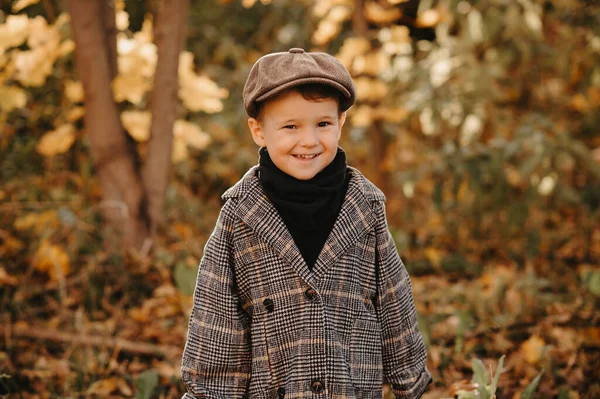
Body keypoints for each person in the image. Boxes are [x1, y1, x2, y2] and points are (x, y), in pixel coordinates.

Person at [181, 48, 431, 399]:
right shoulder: (240, 214)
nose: (309, 141)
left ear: (340, 122)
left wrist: (409, 381)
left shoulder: (365, 206)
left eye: (323, 124)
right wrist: (211, 392)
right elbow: (217, 312)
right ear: (258, 131)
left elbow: (394, 299)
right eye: (290, 126)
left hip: (351, 389)